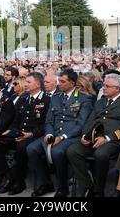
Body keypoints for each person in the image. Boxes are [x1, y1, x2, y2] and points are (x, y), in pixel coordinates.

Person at [67, 74, 120, 197]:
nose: (103, 88)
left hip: (113, 141)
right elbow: (90, 121)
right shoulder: (100, 102)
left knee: (100, 153)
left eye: (107, 86)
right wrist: (85, 135)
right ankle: (89, 185)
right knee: (72, 151)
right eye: (104, 85)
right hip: (93, 138)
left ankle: (99, 191)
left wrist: (106, 138)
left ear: (117, 88)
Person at [27, 69, 93, 197]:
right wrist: (49, 134)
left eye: (63, 81)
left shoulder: (84, 99)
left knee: (57, 152)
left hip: (71, 136)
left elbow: (81, 124)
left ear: (72, 83)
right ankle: (45, 183)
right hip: (54, 134)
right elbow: (49, 120)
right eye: (59, 81)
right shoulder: (56, 97)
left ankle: (63, 187)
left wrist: (62, 137)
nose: (59, 84)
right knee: (31, 149)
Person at [0, 72, 50, 195]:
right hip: (19, 133)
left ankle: (17, 181)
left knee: (21, 147)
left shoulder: (47, 100)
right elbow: (16, 119)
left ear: (38, 84)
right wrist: (10, 131)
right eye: (26, 82)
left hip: (34, 135)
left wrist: (30, 134)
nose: (25, 84)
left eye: (28, 82)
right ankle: (4, 175)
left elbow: (45, 124)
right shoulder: (23, 98)